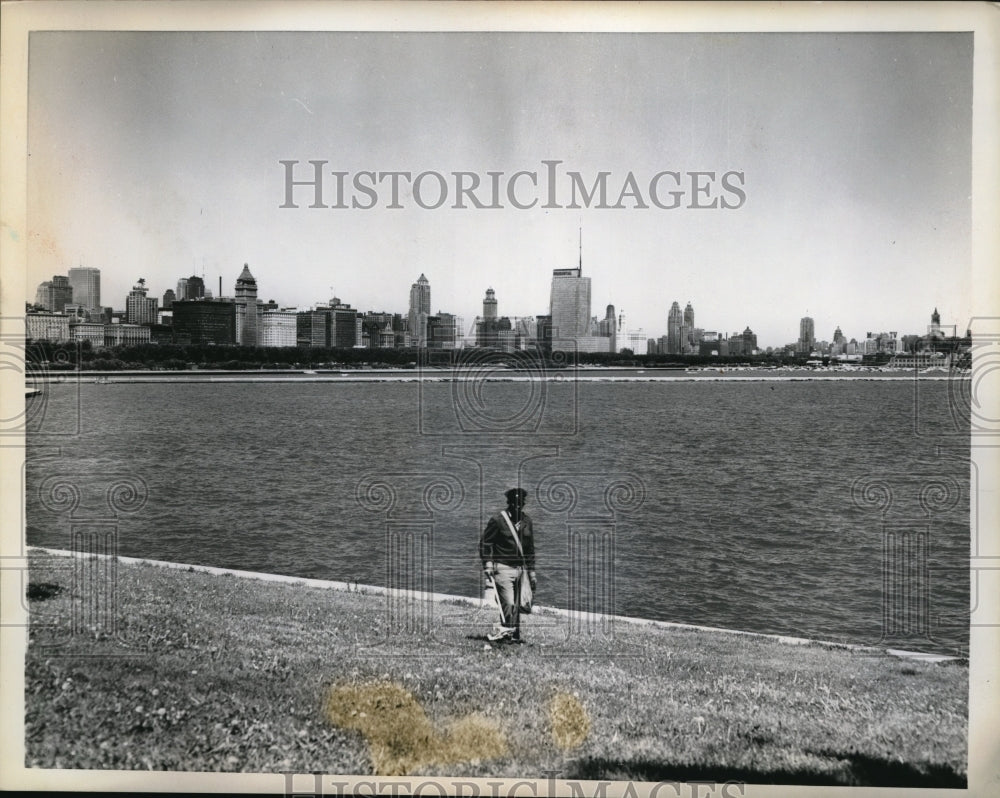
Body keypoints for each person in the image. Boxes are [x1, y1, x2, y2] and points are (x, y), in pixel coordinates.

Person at [480, 487, 536, 644]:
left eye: (520, 504)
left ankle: (513, 635)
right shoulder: (498, 520)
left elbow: (530, 549)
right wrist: (488, 564)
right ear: (509, 503)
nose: (518, 506)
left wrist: (532, 573)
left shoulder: (527, 522)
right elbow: (485, 543)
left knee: (517, 605)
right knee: (509, 603)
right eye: (514, 503)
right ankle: (506, 635)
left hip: (521, 570)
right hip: (503, 567)